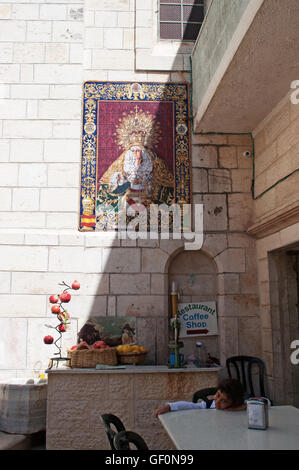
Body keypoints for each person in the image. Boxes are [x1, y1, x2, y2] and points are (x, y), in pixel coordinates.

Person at [154, 378, 247, 417]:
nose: (217, 401)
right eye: (218, 395)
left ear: (233, 403)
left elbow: (260, 402)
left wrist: (243, 407)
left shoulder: (240, 407)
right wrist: (169, 407)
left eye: (224, 401)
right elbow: (189, 405)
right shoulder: (210, 404)